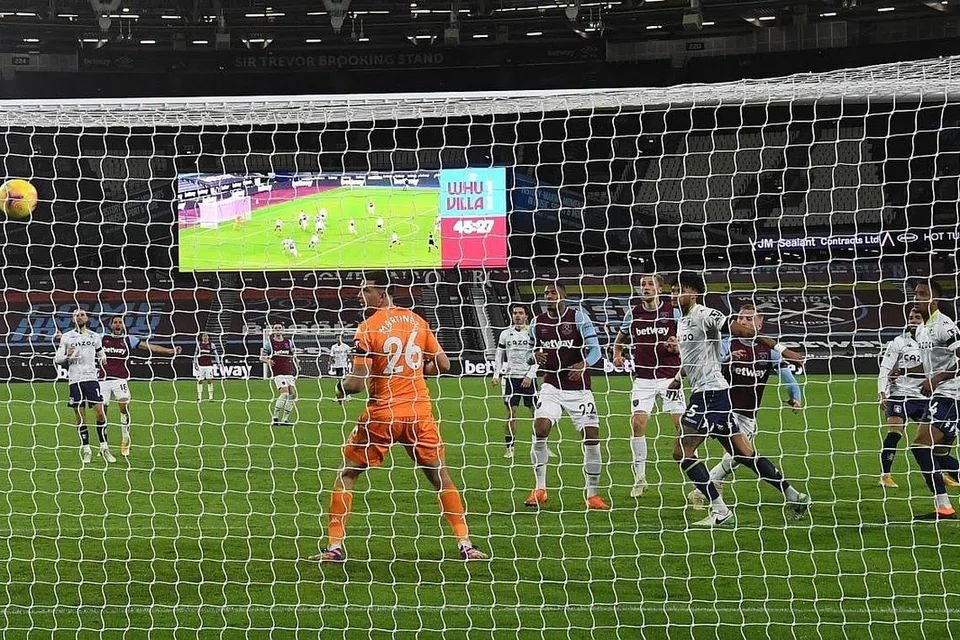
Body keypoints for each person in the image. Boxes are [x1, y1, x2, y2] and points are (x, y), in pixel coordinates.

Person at [310, 273, 486, 562]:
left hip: (383, 413)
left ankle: (334, 547)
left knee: (347, 474)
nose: (360, 296)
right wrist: (419, 371)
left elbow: (357, 383)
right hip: (418, 413)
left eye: (366, 290)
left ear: (382, 295)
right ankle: (466, 544)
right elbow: (444, 364)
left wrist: (340, 388)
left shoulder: (368, 328)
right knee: (440, 477)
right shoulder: (417, 321)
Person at [669, 272, 810, 527]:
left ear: (694, 292)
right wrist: (678, 378)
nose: (674, 294)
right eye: (672, 290)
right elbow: (694, 358)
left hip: (710, 394)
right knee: (744, 453)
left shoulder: (704, 314)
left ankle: (720, 511)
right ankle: (794, 496)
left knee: (682, 451)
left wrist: (781, 350)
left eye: (680, 289)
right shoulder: (683, 321)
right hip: (714, 394)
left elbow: (741, 329)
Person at [687, 303, 803, 508]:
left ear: (760, 323)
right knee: (729, 453)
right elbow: (711, 366)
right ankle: (706, 493)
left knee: (737, 456)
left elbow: (788, 377)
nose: (743, 322)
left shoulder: (769, 352)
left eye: (749, 319)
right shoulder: (726, 344)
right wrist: (728, 360)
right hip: (722, 408)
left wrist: (795, 397)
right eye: (740, 318)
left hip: (748, 415)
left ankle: (705, 490)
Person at [524, 282, 609, 510]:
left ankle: (592, 495)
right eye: (546, 293)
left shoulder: (578, 318)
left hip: (579, 389)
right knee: (540, 428)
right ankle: (540, 488)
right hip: (551, 386)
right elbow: (528, 354)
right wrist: (534, 356)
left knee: (591, 436)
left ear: (564, 295)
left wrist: (584, 364)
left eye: (553, 292)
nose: (549, 296)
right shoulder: (537, 323)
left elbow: (596, 350)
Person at [612, 273, 684, 497]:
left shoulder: (673, 312)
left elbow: (687, 340)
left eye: (650, 284)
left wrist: (677, 346)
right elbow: (619, 341)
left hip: (670, 378)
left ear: (660, 289)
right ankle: (640, 477)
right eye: (642, 284)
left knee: (681, 426)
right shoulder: (633, 314)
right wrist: (617, 355)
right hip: (643, 379)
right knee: (638, 423)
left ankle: (696, 480)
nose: (645, 287)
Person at [878, 306, 959, 489]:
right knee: (896, 432)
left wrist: (934, 379)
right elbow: (885, 368)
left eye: (917, 317)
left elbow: (930, 368)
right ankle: (885, 475)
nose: (913, 320)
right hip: (899, 395)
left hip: (924, 396)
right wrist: (882, 392)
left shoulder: (929, 339)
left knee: (934, 444)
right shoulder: (898, 342)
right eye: (911, 318)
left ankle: (939, 475)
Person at [910, 279, 960, 520]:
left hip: (953, 394)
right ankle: (944, 506)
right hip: (941, 394)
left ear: (935, 299)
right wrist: (904, 371)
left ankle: (944, 507)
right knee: (939, 454)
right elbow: (929, 363)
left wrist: (937, 379)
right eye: (916, 293)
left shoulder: (945, 326)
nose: (917, 297)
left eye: (923, 294)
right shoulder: (921, 329)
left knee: (921, 446)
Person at [100, 315, 181, 457]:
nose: (118, 324)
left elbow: (150, 347)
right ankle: (104, 446)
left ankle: (125, 441)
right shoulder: (102, 338)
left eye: (120, 322)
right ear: (111, 325)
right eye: (115, 322)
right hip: (103, 379)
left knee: (124, 407)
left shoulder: (129, 340)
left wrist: (170, 351)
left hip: (120, 380)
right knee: (101, 413)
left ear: (123, 325)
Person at [54, 309, 115, 464]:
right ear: (73, 319)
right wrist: (67, 355)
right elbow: (57, 359)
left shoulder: (95, 336)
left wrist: (103, 359)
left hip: (91, 379)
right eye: (76, 315)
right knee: (80, 417)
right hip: (75, 380)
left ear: (87, 318)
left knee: (100, 413)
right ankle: (86, 449)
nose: (79, 317)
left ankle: (104, 448)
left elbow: (101, 353)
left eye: (82, 315)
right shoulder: (66, 337)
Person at [492, 304, 539, 459]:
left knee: (536, 413)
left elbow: (539, 355)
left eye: (520, 313)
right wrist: (496, 375)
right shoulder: (505, 334)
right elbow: (499, 355)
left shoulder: (533, 333)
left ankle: (540, 446)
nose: (517, 316)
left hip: (529, 378)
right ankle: (509, 448)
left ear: (526, 316)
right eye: (514, 313)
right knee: (511, 413)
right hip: (511, 378)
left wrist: (530, 375)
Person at [261, 323, 299, 426]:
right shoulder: (269, 343)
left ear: (283, 330)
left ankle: (285, 419)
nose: (278, 329)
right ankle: (275, 417)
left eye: (279, 328)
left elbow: (293, 355)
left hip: (288, 372)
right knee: (285, 393)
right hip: (278, 372)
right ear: (273, 330)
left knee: (293, 395)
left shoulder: (288, 342)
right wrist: (268, 361)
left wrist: (297, 364)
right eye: (276, 328)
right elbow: (262, 357)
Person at [194, 332, 220, 402]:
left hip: (209, 365)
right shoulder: (199, 345)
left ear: (208, 337)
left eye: (206, 336)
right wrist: (195, 363)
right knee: (200, 380)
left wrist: (218, 362)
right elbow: (195, 354)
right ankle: (199, 397)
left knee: (209, 380)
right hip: (200, 365)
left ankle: (211, 397)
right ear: (202, 337)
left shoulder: (212, 345)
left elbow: (216, 354)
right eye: (204, 336)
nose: (205, 337)